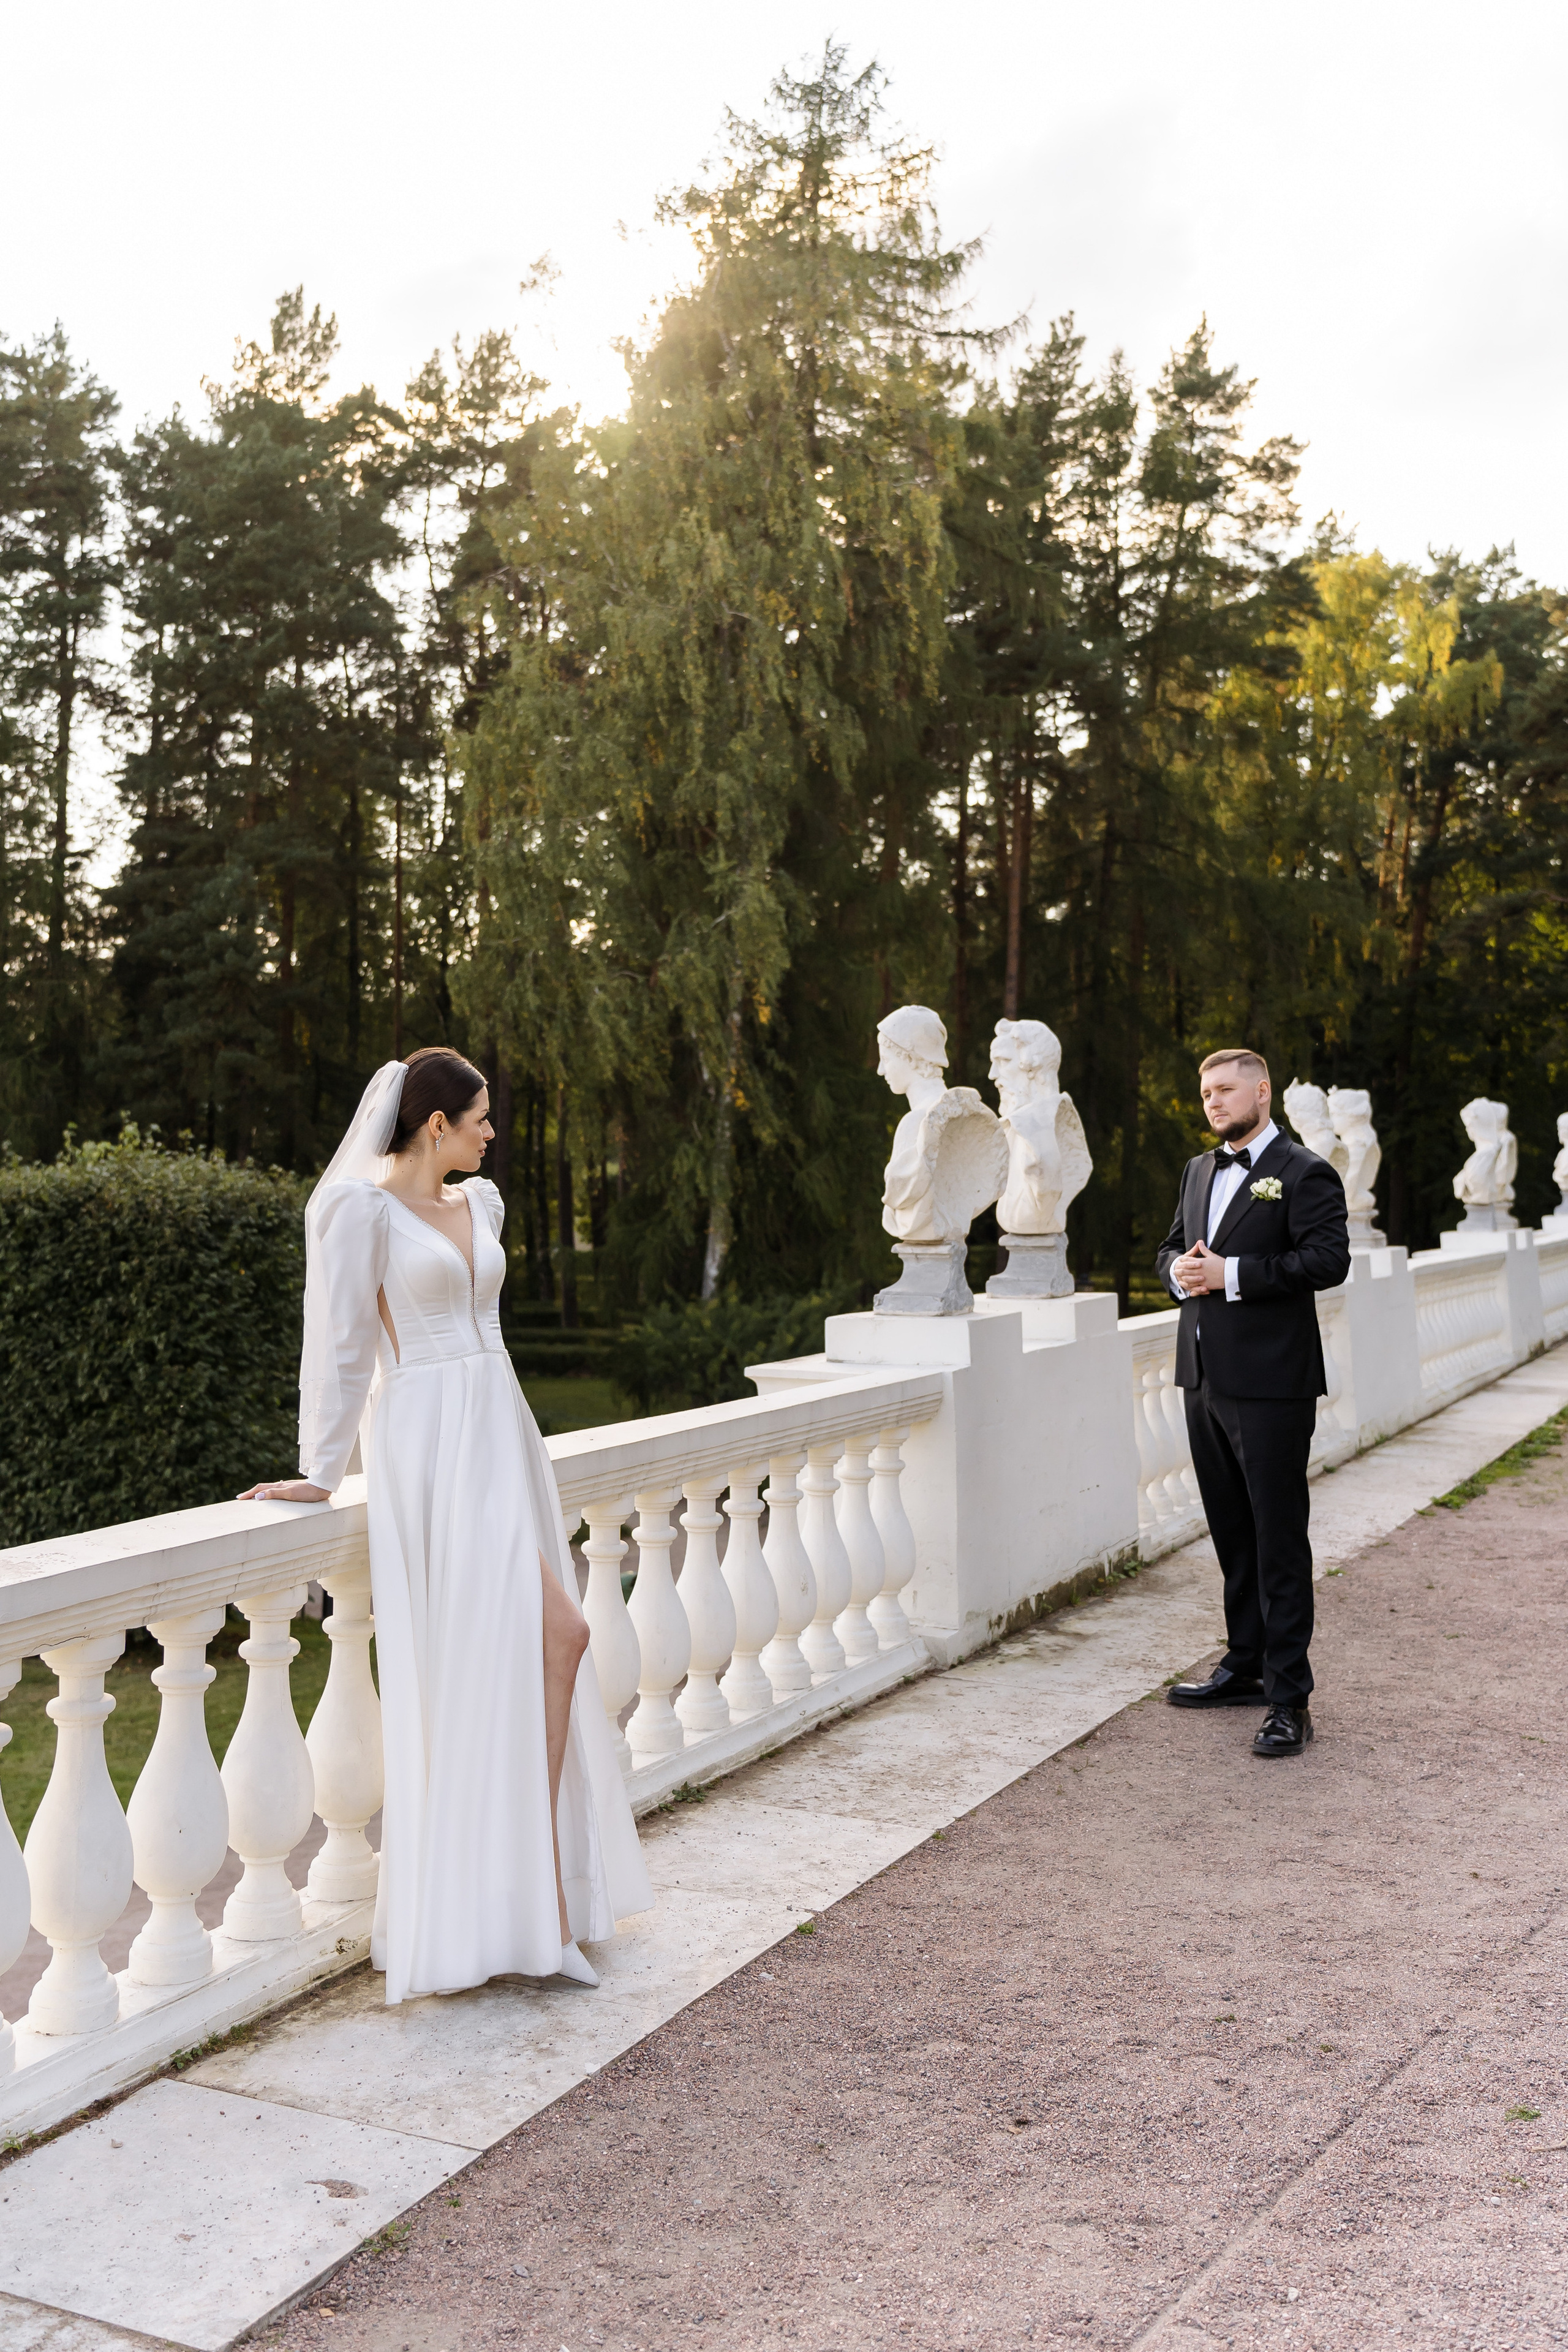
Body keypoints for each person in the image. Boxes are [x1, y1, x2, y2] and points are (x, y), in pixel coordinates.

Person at [241, 1050, 652, 1999]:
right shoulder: (357, 1213)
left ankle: (537, 1905)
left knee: (542, 1653)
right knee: (550, 1641)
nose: (491, 1133)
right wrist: (319, 1471)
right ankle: (522, 1911)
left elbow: (481, 1320)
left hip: (503, 1431)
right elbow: (341, 1348)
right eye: (479, 1118)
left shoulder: (487, 1205)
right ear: (434, 1125)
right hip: (428, 1443)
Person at [1155, 1049, 1350, 1758]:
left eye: (1225, 1089)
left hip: (1272, 1384)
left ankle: (1288, 1698)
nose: (1213, 1101)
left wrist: (1230, 1273)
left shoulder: (1304, 1172)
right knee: (1232, 1535)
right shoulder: (1197, 1170)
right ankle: (1242, 1666)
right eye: (1205, 1091)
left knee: (1277, 1540)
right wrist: (1178, 1272)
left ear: (1261, 1092)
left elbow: (1329, 1261)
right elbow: (1172, 1248)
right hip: (1203, 1378)